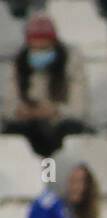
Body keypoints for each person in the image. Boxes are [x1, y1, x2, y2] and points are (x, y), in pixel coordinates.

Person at [1, 14, 90, 157]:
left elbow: (79, 108)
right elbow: (8, 106)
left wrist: (55, 111)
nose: (39, 51)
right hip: (29, 123)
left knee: (68, 131)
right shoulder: (19, 64)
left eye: (44, 46)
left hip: (59, 123)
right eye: (35, 47)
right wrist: (21, 111)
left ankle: (54, 174)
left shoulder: (71, 63)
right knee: (14, 131)